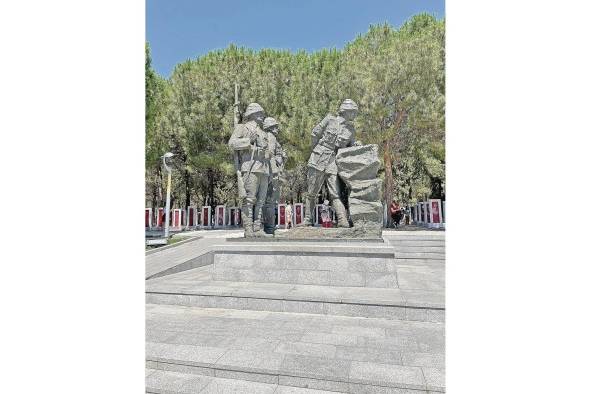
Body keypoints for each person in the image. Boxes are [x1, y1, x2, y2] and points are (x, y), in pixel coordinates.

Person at [303, 99, 360, 227]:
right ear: (346, 111)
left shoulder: (351, 130)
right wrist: (316, 150)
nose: (354, 115)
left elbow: (350, 147)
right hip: (318, 157)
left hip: (332, 161)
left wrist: (355, 145)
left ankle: (342, 220)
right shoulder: (329, 119)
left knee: (335, 192)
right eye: (353, 112)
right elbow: (315, 134)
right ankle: (307, 219)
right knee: (312, 192)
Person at [228, 102, 270, 237]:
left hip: (263, 168)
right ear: (252, 114)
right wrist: (247, 141)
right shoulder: (242, 128)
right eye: (260, 113)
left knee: (261, 200)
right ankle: (248, 229)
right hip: (250, 166)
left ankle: (258, 228)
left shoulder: (263, 132)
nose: (262, 116)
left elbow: (268, 151)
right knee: (249, 199)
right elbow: (232, 144)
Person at [262, 117, 286, 234]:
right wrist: (275, 172)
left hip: (271, 171)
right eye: (275, 126)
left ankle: (269, 227)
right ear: (270, 127)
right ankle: (269, 228)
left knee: (269, 201)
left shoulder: (271, 138)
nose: (277, 128)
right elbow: (270, 154)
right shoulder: (271, 137)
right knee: (270, 201)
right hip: (272, 173)